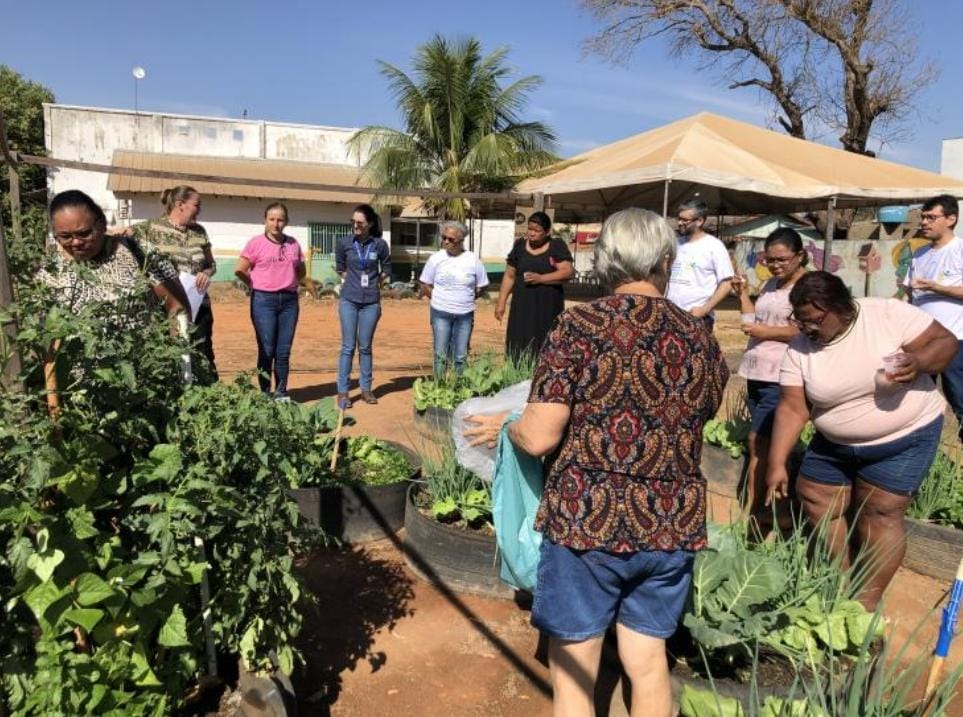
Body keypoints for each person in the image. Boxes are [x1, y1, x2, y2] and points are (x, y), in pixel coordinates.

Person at [466, 208, 729, 717]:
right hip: (671, 521)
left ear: (605, 262)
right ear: (665, 260)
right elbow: (700, 414)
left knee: (575, 672)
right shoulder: (700, 335)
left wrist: (510, 426)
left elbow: (541, 436)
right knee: (648, 658)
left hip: (589, 521)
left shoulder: (580, 325)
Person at [766, 271, 957, 610]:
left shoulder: (885, 314)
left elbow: (945, 343)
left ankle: (864, 603)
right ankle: (839, 582)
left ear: (839, 307)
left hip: (904, 436)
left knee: (880, 513)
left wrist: (919, 363)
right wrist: (777, 462)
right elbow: (793, 408)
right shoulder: (800, 347)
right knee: (815, 498)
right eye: (800, 320)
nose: (807, 329)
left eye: (813, 320)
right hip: (834, 442)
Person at [731, 228, 806, 527]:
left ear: (800, 256)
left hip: (782, 376)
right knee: (771, 446)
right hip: (757, 373)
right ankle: (775, 509)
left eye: (782, 260)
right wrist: (742, 297)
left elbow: (806, 329)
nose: (776, 266)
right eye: (770, 260)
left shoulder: (806, 288)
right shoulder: (770, 285)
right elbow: (753, 322)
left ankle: (758, 514)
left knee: (760, 444)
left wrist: (768, 332)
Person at [40, 190, 186, 324]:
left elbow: (177, 309)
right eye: (65, 236)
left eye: (84, 233)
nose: (76, 242)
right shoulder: (50, 273)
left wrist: (180, 349)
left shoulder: (140, 252)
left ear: (102, 223)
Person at [131, 185, 218, 378]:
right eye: (196, 205)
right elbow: (123, 238)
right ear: (180, 205)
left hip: (198, 305)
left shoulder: (200, 231)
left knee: (202, 352)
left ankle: (207, 395)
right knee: (169, 352)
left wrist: (206, 272)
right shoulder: (149, 228)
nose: (200, 209)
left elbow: (212, 264)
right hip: (166, 308)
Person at [905, 194, 963, 440]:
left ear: (951, 219)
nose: (924, 222)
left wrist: (939, 288)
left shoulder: (960, 249)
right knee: (911, 400)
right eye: (923, 217)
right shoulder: (919, 255)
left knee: (960, 400)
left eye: (931, 217)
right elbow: (909, 295)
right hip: (921, 342)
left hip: (956, 341)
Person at [234, 203, 305, 401]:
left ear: (286, 222)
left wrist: (291, 282)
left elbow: (301, 269)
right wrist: (254, 284)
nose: (276, 223)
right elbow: (240, 269)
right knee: (267, 349)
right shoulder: (255, 243)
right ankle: (265, 395)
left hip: (289, 302)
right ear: (265, 220)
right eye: (272, 219)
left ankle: (281, 394)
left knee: (283, 351)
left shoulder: (293, 244)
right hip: (264, 301)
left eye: (280, 219)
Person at [495, 211, 573, 359]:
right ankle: (518, 373)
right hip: (522, 305)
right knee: (518, 338)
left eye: (537, 230)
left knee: (545, 339)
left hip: (548, 306)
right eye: (530, 229)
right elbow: (510, 275)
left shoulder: (556, 246)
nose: (531, 233)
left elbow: (567, 272)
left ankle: (542, 373)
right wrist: (501, 302)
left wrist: (541, 278)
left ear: (547, 232)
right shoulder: (519, 246)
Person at [335, 204, 391, 408]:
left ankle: (366, 389)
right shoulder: (343, 243)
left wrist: (375, 282)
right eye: (353, 222)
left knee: (365, 347)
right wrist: (353, 281)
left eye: (360, 222)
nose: (355, 226)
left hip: (371, 303)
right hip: (349, 300)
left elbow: (386, 269)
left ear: (370, 224)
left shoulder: (380, 245)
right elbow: (340, 268)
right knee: (348, 347)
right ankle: (343, 392)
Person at [419, 220, 489, 376]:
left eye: (450, 239)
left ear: (461, 240)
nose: (445, 242)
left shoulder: (472, 259)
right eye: (444, 238)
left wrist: (469, 297)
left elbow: (483, 285)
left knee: (460, 355)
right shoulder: (436, 258)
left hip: (465, 315)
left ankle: (459, 387)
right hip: (440, 313)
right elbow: (425, 283)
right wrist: (437, 297)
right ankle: (440, 387)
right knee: (440, 354)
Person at [665, 199, 734, 329]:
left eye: (685, 220)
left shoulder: (714, 246)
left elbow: (727, 283)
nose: (680, 223)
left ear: (700, 221)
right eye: (679, 219)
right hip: (670, 315)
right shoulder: (674, 244)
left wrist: (704, 309)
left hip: (697, 317)